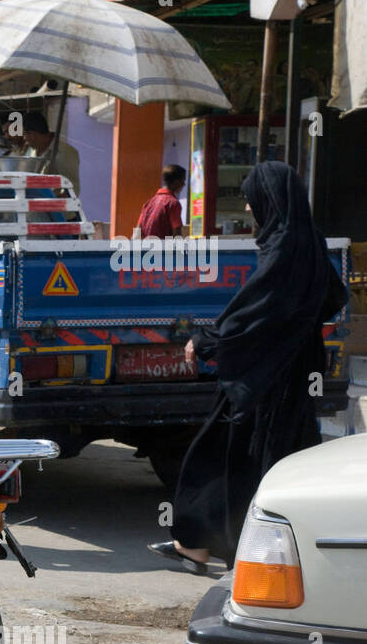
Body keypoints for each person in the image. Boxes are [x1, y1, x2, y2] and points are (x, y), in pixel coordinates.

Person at [148, 160, 348, 574]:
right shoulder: (309, 242)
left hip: (261, 379)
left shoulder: (283, 248)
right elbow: (334, 296)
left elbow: (255, 309)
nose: (252, 209)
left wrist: (208, 340)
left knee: (219, 455)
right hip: (293, 375)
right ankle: (219, 547)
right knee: (279, 464)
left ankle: (206, 546)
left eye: (254, 200)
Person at [14, 110, 81, 193]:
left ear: (32, 135)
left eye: (24, 134)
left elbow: (72, 189)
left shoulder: (64, 152)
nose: (24, 138)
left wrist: (51, 201)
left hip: (53, 205)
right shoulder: (31, 151)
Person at [135, 164, 187, 238]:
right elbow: (176, 232)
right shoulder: (173, 203)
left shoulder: (149, 203)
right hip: (163, 248)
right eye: (183, 180)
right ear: (176, 182)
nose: (184, 184)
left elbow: (137, 232)